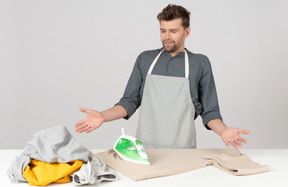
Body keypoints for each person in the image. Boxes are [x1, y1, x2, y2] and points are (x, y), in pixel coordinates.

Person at [75, 4, 250, 149]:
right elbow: (129, 102)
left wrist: (223, 131)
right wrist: (103, 116)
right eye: (163, 31)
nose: (167, 37)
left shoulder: (200, 63)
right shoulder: (145, 59)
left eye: (173, 31)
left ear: (186, 32)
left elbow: (209, 111)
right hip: (145, 149)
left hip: (184, 151)